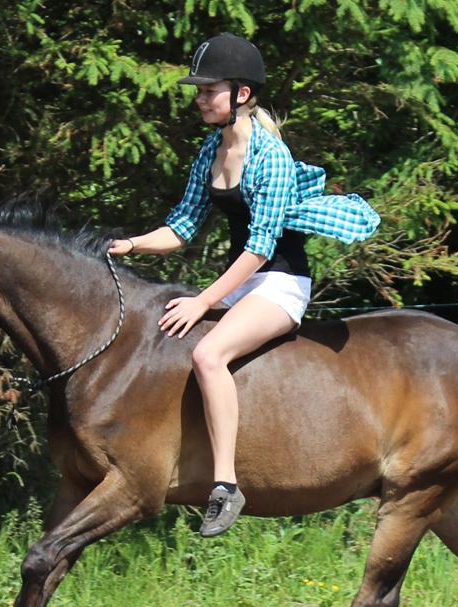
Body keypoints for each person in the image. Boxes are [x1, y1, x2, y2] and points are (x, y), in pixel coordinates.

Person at [108, 33, 379, 537]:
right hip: (240, 282)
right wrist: (131, 244)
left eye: (210, 89)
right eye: (200, 89)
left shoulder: (270, 158)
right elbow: (182, 226)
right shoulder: (211, 148)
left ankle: (226, 487)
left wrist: (204, 300)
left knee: (208, 355)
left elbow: (259, 249)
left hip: (278, 283)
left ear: (242, 95)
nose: (200, 98)